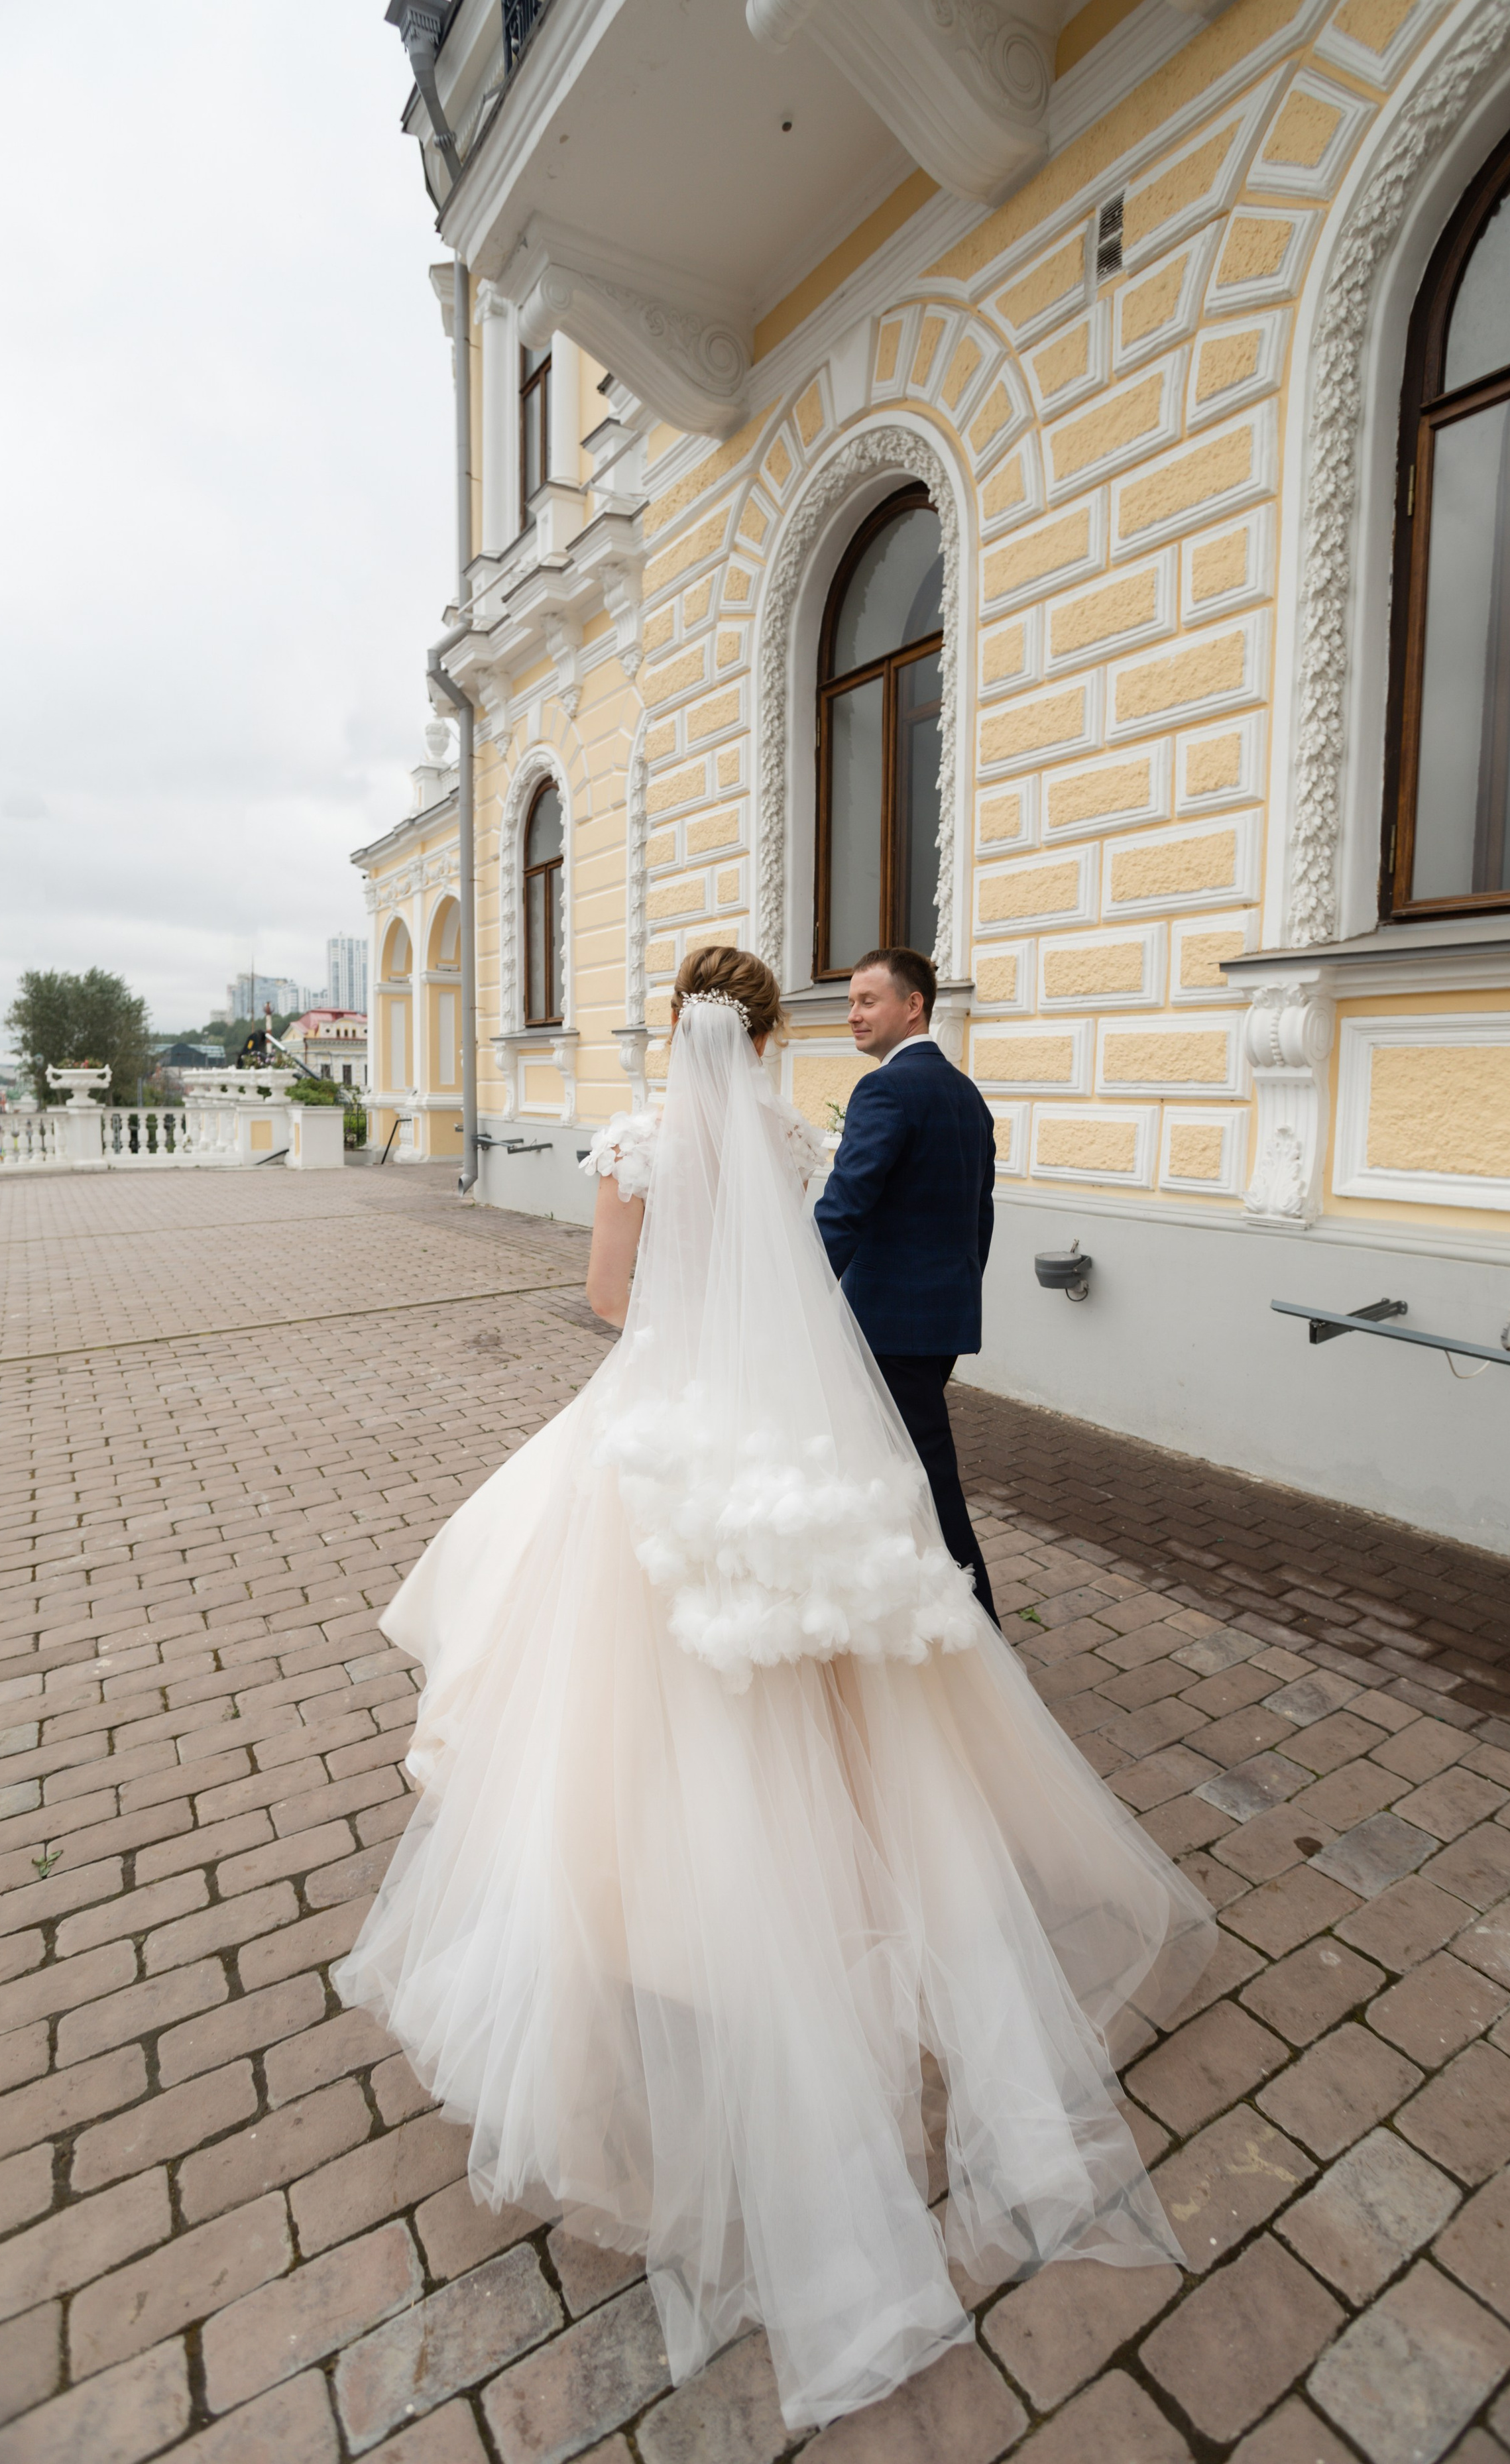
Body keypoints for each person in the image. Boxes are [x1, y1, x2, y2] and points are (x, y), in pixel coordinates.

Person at [336, 943, 1212, 2436]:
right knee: (820, 1679)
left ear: (673, 1024)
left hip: (663, 1420)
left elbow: (614, 1297)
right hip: (776, 1426)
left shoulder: (633, 1140)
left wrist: (670, 1340)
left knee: (604, 1682)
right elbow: (800, 1282)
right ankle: (823, 1884)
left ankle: (649, 1935)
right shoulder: (796, 1135)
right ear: (763, 1032)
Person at [813, 945, 999, 1624]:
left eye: (868, 1001)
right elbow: (977, 1216)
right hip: (935, 1320)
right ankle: (890, 1606)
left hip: (887, 1324)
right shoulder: (963, 1091)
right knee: (895, 1470)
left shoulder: (886, 1088)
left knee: (922, 1477)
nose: (853, 1015)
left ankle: (978, 1626)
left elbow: (845, 1206)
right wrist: (953, 1293)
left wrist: (799, 1292)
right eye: (850, 1001)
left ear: (912, 1004)